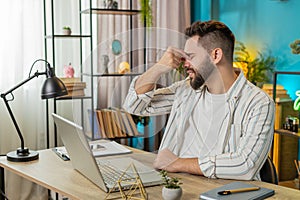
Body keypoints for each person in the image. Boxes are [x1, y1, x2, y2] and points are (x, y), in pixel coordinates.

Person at [123, 20, 275, 180]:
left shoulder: (258, 103)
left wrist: (176, 163)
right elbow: (134, 105)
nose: (184, 63)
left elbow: (246, 165)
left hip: (228, 192)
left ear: (216, 55)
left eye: (190, 57)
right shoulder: (185, 90)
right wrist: (159, 67)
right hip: (178, 185)